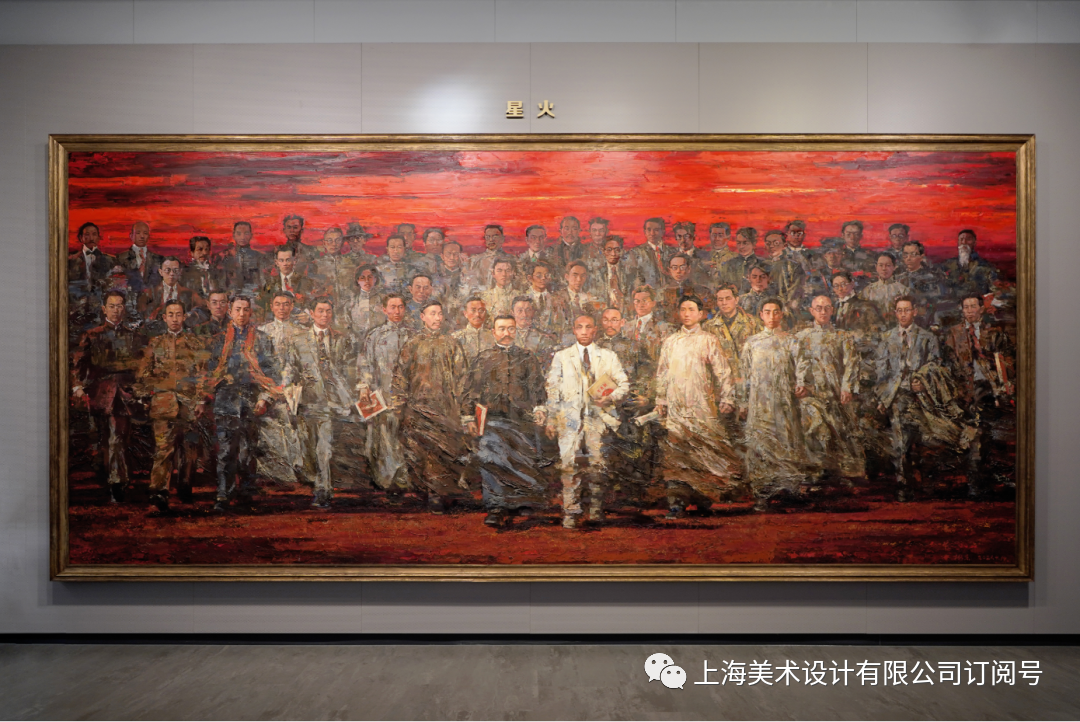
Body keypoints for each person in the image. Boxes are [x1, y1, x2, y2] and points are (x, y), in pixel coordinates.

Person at [655, 295, 744, 518]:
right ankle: (677, 502)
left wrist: (728, 398)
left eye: (691, 310)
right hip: (676, 406)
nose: (687, 314)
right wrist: (661, 400)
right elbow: (662, 373)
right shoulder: (671, 341)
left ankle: (703, 497)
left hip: (702, 406)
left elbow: (723, 371)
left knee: (703, 451)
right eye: (683, 309)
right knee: (677, 452)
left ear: (701, 314)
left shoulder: (708, 340)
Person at [543, 314, 629, 528]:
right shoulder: (562, 357)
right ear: (573, 330)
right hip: (569, 421)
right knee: (569, 466)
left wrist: (610, 397)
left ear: (595, 330)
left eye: (588, 327)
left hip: (598, 419)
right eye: (579, 327)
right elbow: (552, 390)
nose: (583, 331)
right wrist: (551, 418)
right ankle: (570, 511)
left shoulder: (608, 356)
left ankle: (596, 509)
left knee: (598, 465)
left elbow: (624, 385)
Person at [463, 315, 549, 528]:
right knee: (492, 461)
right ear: (493, 332)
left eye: (511, 328)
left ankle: (522, 501)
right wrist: (468, 417)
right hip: (492, 419)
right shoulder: (483, 358)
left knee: (522, 460)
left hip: (522, 419)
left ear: (516, 331)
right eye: (501, 329)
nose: (506, 333)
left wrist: (540, 407)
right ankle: (496, 507)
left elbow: (537, 385)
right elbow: (471, 389)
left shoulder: (527, 357)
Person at [201, 295, 281, 511]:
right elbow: (208, 372)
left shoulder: (262, 339)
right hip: (226, 400)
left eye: (246, 309)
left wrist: (264, 399)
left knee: (248, 450)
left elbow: (272, 372)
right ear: (230, 312)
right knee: (226, 450)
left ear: (251, 312)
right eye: (238, 309)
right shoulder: (218, 340)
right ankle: (223, 494)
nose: (242, 314)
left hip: (252, 401)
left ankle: (246, 493)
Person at [390, 301, 470, 513]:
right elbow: (400, 375)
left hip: (445, 409)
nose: (437, 318)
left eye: (440, 314)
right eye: (432, 314)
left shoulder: (452, 344)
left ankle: (438, 494)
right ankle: (424, 491)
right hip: (416, 407)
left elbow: (462, 378)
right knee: (417, 452)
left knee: (441, 452)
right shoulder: (412, 344)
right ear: (422, 317)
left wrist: (463, 407)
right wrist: (399, 403)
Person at [282, 298, 358, 509]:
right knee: (307, 448)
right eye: (320, 311)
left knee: (325, 448)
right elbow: (290, 367)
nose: (324, 315)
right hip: (307, 402)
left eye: (328, 311)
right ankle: (313, 478)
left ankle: (323, 489)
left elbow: (350, 369)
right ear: (312, 313)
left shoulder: (342, 339)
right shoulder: (298, 339)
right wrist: (288, 389)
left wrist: (349, 394)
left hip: (331, 403)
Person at [71, 290, 146, 502]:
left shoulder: (133, 337)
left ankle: (117, 483)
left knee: (118, 438)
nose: (116, 310)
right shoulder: (92, 335)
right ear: (104, 309)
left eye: (119, 305)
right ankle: (104, 476)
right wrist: (77, 386)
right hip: (97, 394)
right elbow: (78, 365)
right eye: (112, 306)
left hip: (122, 395)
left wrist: (140, 388)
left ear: (125, 309)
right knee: (99, 440)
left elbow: (141, 367)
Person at [874, 296, 951, 501]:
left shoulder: (927, 337)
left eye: (907, 310)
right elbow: (881, 372)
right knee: (901, 440)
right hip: (897, 394)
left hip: (923, 395)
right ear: (895, 313)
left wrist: (923, 382)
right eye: (899, 311)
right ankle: (903, 485)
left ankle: (923, 481)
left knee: (926, 439)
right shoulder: (887, 338)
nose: (903, 314)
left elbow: (935, 364)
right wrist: (884, 398)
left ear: (914, 312)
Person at [134, 300, 207, 512]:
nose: (175, 319)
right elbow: (143, 374)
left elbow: (203, 373)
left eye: (178, 314)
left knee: (189, 451)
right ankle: (159, 493)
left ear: (184, 317)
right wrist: (150, 393)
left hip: (189, 405)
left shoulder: (195, 343)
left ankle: (185, 487)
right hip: (163, 404)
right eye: (171, 315)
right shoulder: (155, 344)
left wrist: (201, 400)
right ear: (164, 318)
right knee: (163, 450)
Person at [943, 294, 1015, 499]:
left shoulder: (993, 332)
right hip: (963, 389)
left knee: (984, 433)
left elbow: (1007, 361)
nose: (969, 310)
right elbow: (947, 363)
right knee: (973, 431)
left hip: (988, 388)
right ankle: (976, 482)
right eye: (965, 307)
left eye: (973, 306)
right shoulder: (954, 334)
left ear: (981, 309)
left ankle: (980, 480)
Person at [740, 298, 809, 511]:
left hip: (784, 402)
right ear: (761, 315)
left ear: (781, 315)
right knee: (760, 444)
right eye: (767, 312)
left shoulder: (791, 341)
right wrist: (743, 402)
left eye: (776, 312)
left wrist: (801, 383)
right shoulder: (752, 343)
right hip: (759, 403)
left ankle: (789, 489)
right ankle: (762, 492)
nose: (771, 316)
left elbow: (802, 366)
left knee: (786, 440)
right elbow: (744, 374)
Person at [794, 295, 863, 484]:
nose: (823, 312)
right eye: (818, 308)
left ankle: (842, 472)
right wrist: (799, 385)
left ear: (832, 310)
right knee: (815, 428)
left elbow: (851, 364)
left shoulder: (843, 336)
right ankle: (817, 471)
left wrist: (847, 388)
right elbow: (796, 364)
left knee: (840, 429)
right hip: (812, 393)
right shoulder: (801, 337)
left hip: (836, 393)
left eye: (826, 308)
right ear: (811, 311)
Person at [357, 294, 414, 494]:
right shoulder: (375, 336)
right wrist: (364, 386)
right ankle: (387, 481)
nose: (397, 311)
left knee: (403, 437)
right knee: (382, 437)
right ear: (384, 310)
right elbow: (365, 362)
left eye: (400, 307)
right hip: (381, 395)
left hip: (407, 397)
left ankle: (404, 480)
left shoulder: (412, 335)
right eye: (393, 307)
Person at [256, 290, 306, 485]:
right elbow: (260, 365)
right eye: (278, 304)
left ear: (292, 306)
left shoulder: (301, 331)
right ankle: (275, 472)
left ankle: (297, 468)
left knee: (294, 425)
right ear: (272, 307)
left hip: (294, 388)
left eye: (286, 304)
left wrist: (288, 387)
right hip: (268, 387)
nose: (282, 308)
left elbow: (300, 363)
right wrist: (270, 389)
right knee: (270, 425)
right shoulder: (262, 331)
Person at [137, 257, 207, 329]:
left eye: (175, 270)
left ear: (180, 272)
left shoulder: (189, 293)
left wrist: (189, 316)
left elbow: (203, 310)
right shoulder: (149, 293)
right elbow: (141, 314)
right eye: (167, 270)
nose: (171, 274)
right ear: (161, 272)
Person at [897, 241, 947, 328]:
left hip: (926, 322)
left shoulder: (932, 278)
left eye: (913, 254)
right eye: (905, 254)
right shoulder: (898, 279)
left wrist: (936, 323)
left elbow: (938, 304)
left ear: (921, 257)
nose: (908, 258)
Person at [258, 246, 314, 318]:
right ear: (276, 262)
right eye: (281, 260)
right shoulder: (271, 283)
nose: (285, 264)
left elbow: (310, 304)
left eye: (288, 260)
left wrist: (307, 315)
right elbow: (264, 304)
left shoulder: (304, 281)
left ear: (294, 261)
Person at [310, 226, 361, 303]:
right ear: (324, 243)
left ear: (342, 242)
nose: (334, 244)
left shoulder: (351, 263)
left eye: (338, 240)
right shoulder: (316, 265)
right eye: (330, 240)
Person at [550, 261, 599, 339]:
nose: (579, 279)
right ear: (567, 277)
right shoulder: (556, 298)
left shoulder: (590, 299)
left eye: (583, 276)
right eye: (575, 275)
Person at [660, 253, 713, 324]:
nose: (678, 271)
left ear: (688, 269)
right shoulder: (663, 292)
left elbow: (708, 314)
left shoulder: (702, 291)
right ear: (669, 270)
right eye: (674, 268)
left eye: (682, 267)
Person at [219, 221, 267, 295]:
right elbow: (222, 282)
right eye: (239, 234)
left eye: (246, 233)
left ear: (251, 235)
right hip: (231, 294)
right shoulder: (226, 256)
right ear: (234, 235)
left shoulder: (258, 256)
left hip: (253, 294)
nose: (242, 237)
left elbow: (263, 279)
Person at [860, 252, 911, 320]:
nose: (884, 268)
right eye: (881, 265)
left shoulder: (903, 290)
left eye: (888, 265)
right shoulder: (868, 291)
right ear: (876, 267)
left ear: (894, 267)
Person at [115, 221, 163, 293]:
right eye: (138, 233)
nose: (142, 236)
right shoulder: (121, 258)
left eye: (145, 233)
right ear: (131, 236)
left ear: (148, 236)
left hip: (152, 296)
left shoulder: (157, 258)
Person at [591, 236, 635, 314]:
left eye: (617, 250)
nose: (613, 254)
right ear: (603, 251)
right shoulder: (596, 273)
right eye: (609, 250)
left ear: (622, 251)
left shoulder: (630, 272)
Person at [510, 296, 558, 367]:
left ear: (532, 312)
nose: (524, 314)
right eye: (520, 311)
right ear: (512, 313)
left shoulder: (542, 337)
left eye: (528, 310)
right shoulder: (506, 335)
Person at [343, 264, 385, 343]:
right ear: (358, 281)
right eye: (362, 278)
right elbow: (347, 325)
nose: (367, 281)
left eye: (370, 277)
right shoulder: (351, 303)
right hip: (357, 342)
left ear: (375, 279)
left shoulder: (383, 300)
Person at [466, 224, 512, 291]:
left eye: (495, 236)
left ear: (502, 239)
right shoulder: (476, 260)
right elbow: (471, 284)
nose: (491, 240)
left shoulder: (511, 259)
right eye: (488, 237)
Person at [627, 217, 668, 289]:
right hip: (647, 293)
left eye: (656, 230)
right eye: (649, 230)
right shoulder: (635, 252)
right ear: (645, 232)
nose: (652, 233)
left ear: (663, 232)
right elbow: (633, 278)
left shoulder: (672, 251)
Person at [453, 296, 495, 363]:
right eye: (473, 310)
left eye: (481, 310)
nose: (477, 314)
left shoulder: (493, 336)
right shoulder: (456, 337)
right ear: (465, 314)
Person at [181, 236, 224, 300]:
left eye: (206, 249)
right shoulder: (186, 273)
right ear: (192, 253)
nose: (204, 253)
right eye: (200, 249)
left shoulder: (216, 271)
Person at [720, 227, 762, 293]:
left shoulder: (762, 264)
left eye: (745, 243)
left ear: (753, 244)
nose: (741, 246)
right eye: (739, 243)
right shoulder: (728, 265)